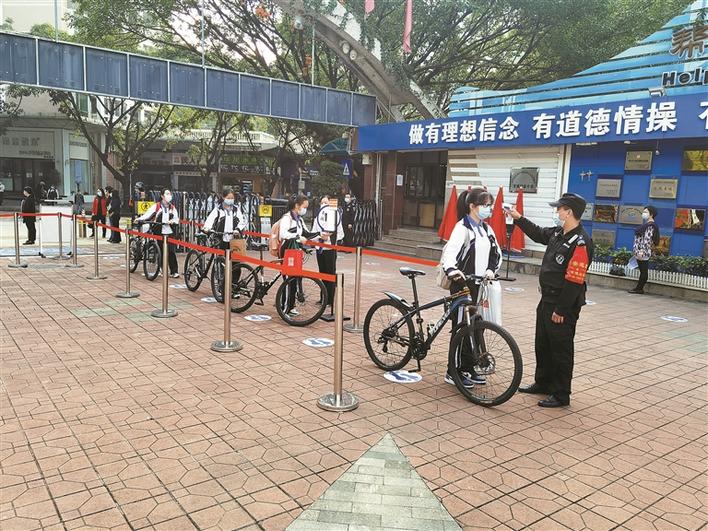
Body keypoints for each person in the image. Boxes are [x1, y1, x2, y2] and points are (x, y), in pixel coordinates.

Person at [506, 193, 593, 408]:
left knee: (561, 349)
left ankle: (561, 394)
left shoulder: (581, 242)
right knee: (543, 343)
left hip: (562, 304)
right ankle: (543, 382)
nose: (557, 212)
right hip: (546, 299)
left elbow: (574, 280)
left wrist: (561, 310)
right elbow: (537, 233)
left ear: (569, 212)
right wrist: (518, 218)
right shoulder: (558, 233)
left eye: (559, 209)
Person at [441, 187, 502, 389]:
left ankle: (468, 366)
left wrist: (491, 270)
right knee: (461, 328)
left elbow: (496, 254)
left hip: (480, 285)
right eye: (485, 205)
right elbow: (450, 254)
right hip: (462, 285)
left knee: (475, 328)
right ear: (472, 206)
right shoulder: (462, 228)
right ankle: (453, 371)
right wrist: (453, 271)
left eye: (490, 205)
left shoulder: (486, 229)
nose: (489, 209)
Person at [279, 194, 319, 315]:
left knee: (295, 279)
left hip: (296, 251)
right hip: (287, 251)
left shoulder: (299, 219)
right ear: (297, 205)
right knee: (288, 280)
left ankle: (291, 307)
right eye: (304, 207)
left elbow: (306, 233)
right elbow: (283, 234)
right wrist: (297, 237)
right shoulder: (287, 218)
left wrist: (319, 234)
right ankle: (284, 308)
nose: (305, 210)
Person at [136, 189, 180, 277]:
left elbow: (176, 218)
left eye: (170, 194)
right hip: (159, 230)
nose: (169, 196)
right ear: (162, 196)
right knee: (161, 250)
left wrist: (173, 221)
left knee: (171, 251)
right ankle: (161, 269)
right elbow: (147, 215)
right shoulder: (157, 206)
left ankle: (174, 271)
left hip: (169, 231)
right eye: (167, 194)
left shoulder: (172, 207)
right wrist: (139, 219)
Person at [313, 195, 345, 313]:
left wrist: (330, 236)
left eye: (326, 202)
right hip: (320, 249)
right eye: (322, 202)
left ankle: (330, 299)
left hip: (330, 249)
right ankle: (323, 297)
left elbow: (341, 234)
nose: (323, 205)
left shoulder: (335, 217)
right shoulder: (318, 217)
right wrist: (319, 236)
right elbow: (313, 232)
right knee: (322, 273)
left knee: (330, 273)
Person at [628, 206, 659, 295]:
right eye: (643, 212)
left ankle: (639, 289)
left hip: (642, 252)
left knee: (643, 271)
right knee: (643, 271)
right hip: (640, 251)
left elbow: (647, 239)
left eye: (646, 212)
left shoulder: (650, 226)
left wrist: (641, 251)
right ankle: (639, 288)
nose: (643, 214)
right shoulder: (647, 225)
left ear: (651, 214)